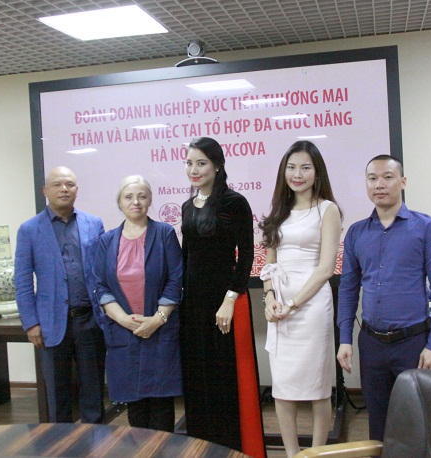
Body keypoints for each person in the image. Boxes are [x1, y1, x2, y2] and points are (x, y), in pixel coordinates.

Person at [336, 154, 431, 441]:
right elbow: (348, 289)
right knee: (378, 424)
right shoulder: (356, 233)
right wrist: (345, 339)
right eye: (372, 178)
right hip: (372, 344)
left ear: (403, 181)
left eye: (387, 177)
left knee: (417, 424)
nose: (380, 184)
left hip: (413, 344)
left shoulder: (427, 228)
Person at [180, 137, 266, 457]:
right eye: (189, 163)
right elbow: (187, 256)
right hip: (193, 305)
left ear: (217, 165)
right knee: (197, 378)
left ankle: (228, 448)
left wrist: (230, 298)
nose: (194, 169)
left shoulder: (234, 202)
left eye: (201, 163)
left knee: (222, 378)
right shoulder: (187, 206)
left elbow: (246, 255)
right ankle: (200, 446)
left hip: (224, 304)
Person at [259, 141, 342, 458]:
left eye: (305, 167)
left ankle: (317, 454)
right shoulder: (278, 212)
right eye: (291, 167)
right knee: (283, 388)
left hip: (311, 305)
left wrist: (292, 304)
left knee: (318, 388)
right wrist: (269, 298)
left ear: (317, 172)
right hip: (280, 307)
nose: (298, 174)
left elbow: (325, 269)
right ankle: (293, 454)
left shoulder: (327, 209)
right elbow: (269, 264)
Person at [14, 166, 106, 423]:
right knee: (57, 394)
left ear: (77, 190)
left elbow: (103, 272)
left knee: (93, 391)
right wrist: (30, 322)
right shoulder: (29, 229)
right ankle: (60, 442)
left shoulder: (94, 224)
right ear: (45, 191)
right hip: (50, 323)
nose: (64, 189)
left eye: (69, 184)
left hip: (89, 321)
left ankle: (96, 439)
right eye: (57, 184)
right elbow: (22, 280)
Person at [93, 175, 183, 432]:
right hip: (124, 333)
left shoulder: (164, 233)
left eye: (142, 196)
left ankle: (162, 449)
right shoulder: (107, 240)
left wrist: (157, 319)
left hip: (159, 332)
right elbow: (100, 285)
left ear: (150, 200)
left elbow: (176, 278)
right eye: (129, 197)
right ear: (120, 203)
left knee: (161, 406)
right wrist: (123, 319)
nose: (136, 202)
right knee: (136, 408)